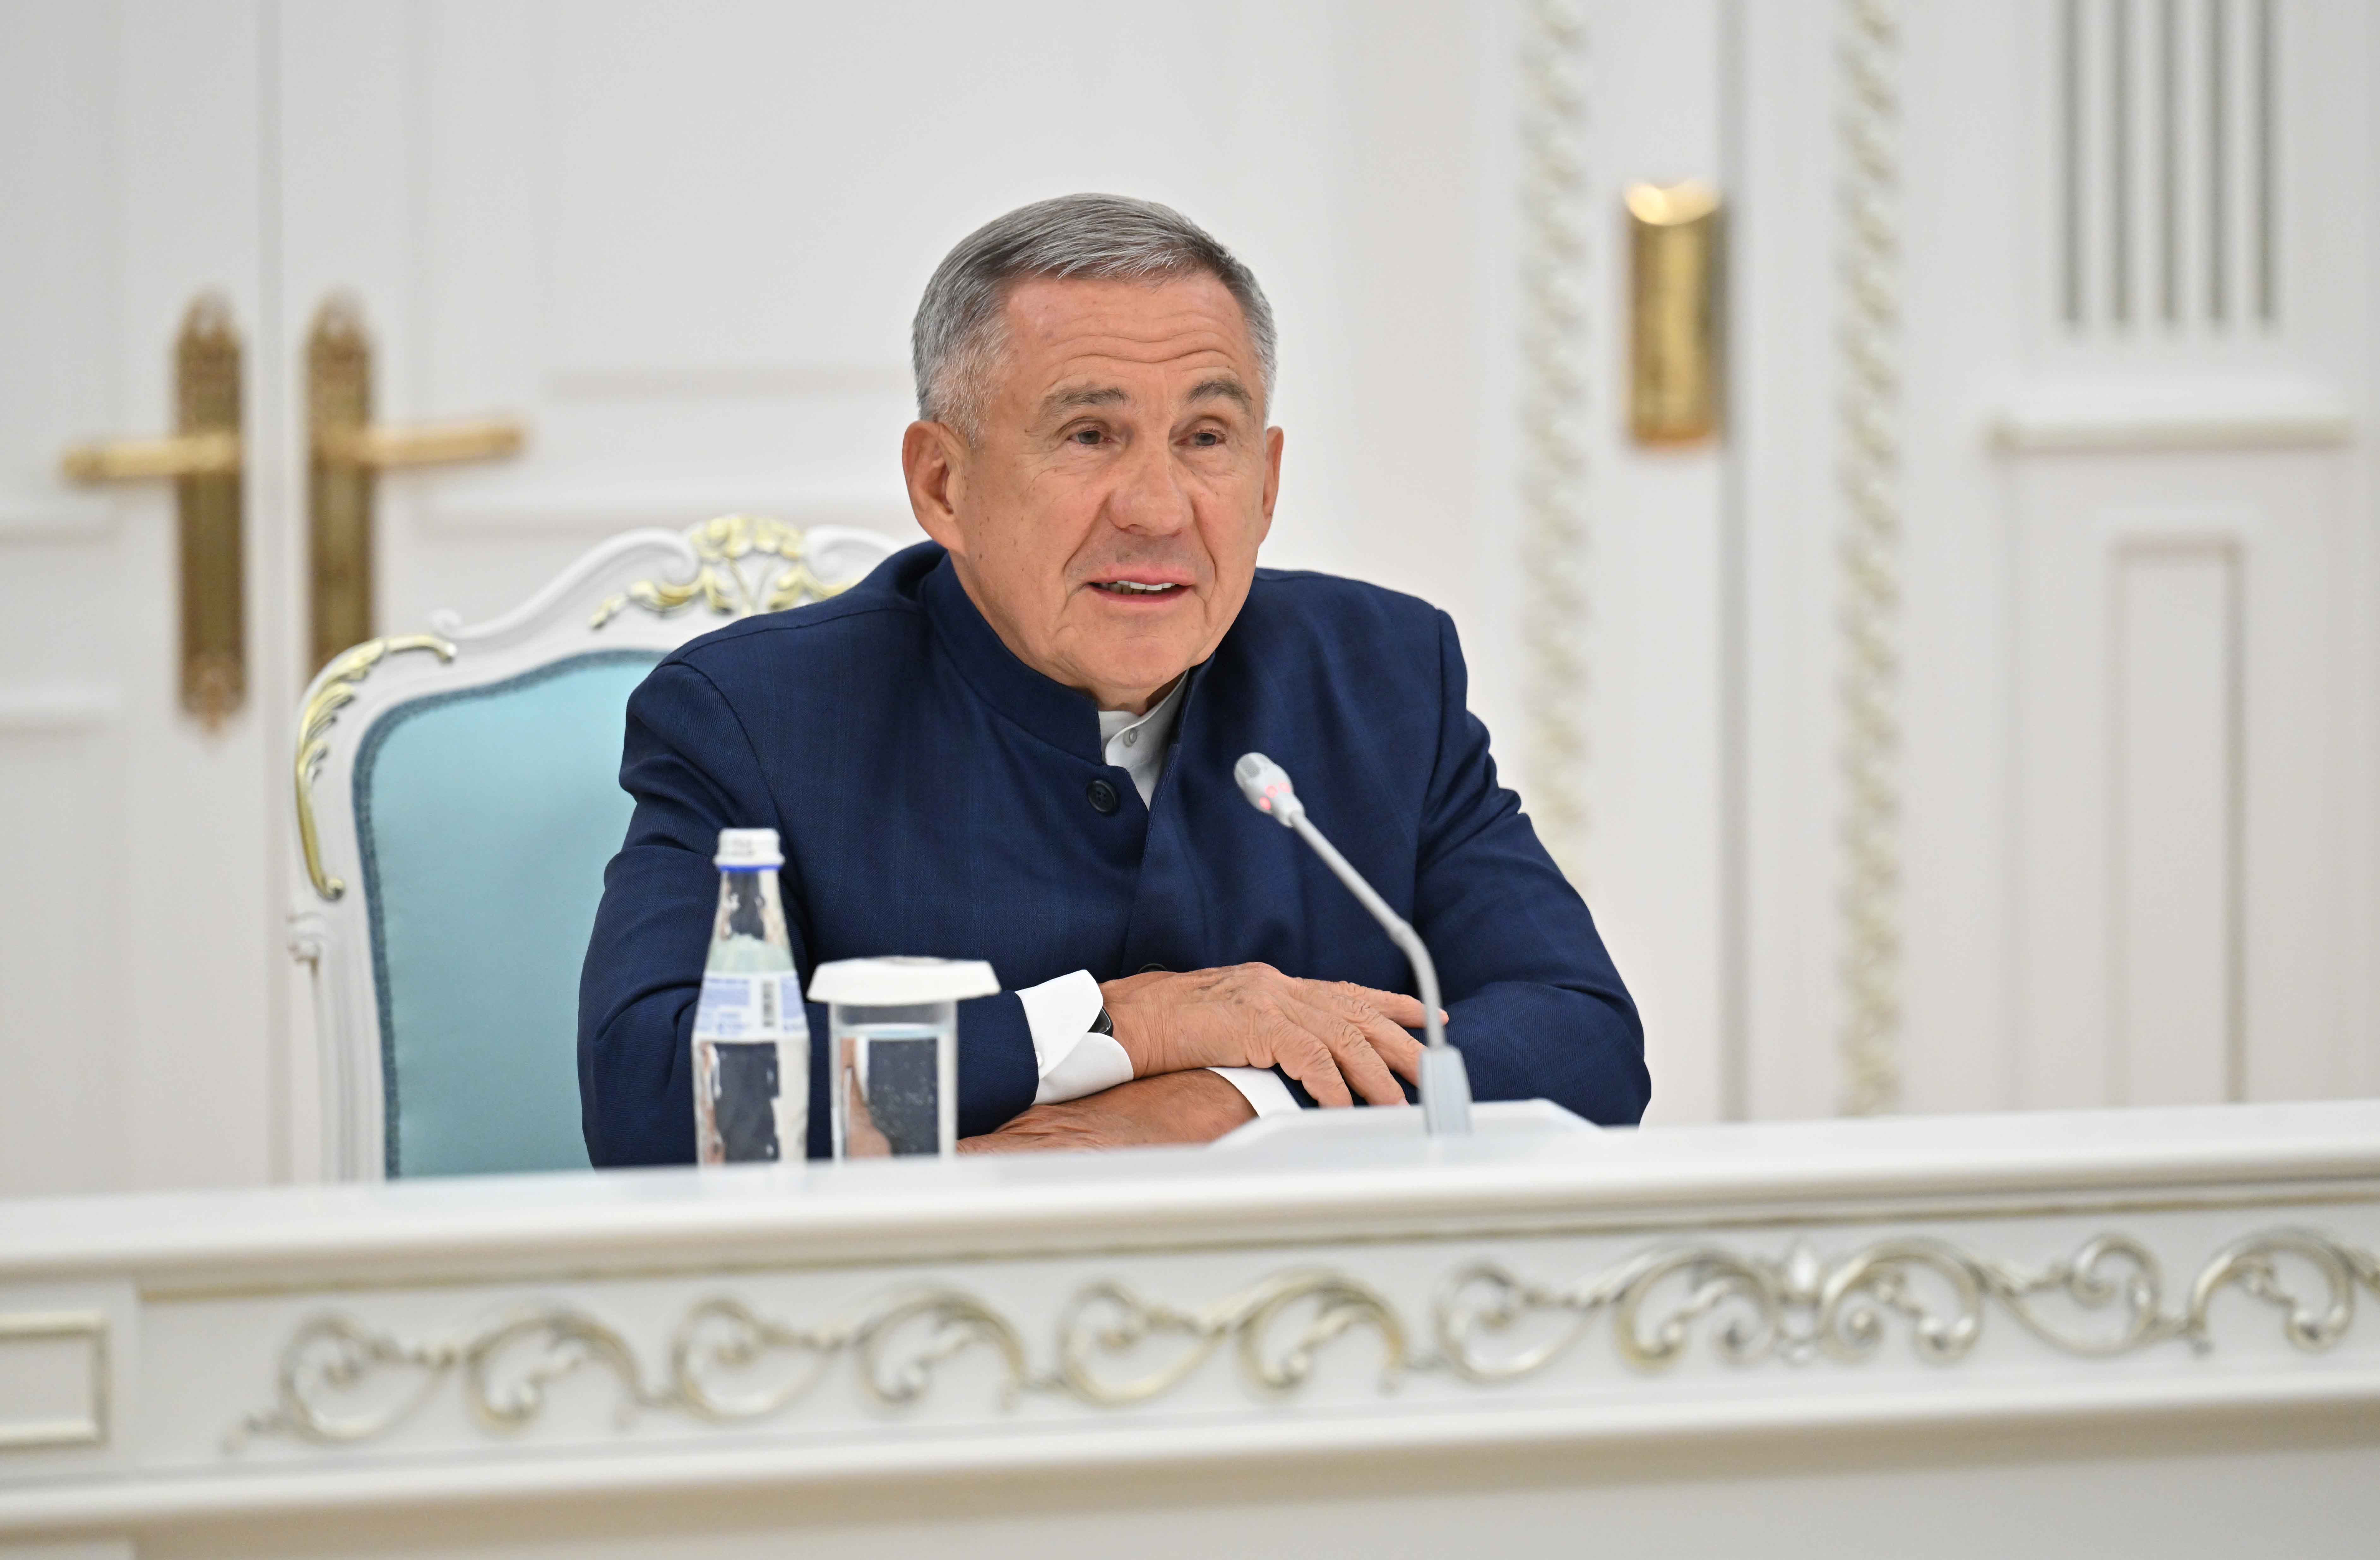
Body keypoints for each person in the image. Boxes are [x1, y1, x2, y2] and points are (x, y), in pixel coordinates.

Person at [579, 193, 1646, 1161]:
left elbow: (1581, 1038)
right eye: (1089, 435)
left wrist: (1232, 1103)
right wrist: (1126, 1026)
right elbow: (654, 1100)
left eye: (1206, 437)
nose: (1157, 507)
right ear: (943, 484)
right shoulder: (756, 717)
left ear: (1266, 483)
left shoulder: (1381, 674)